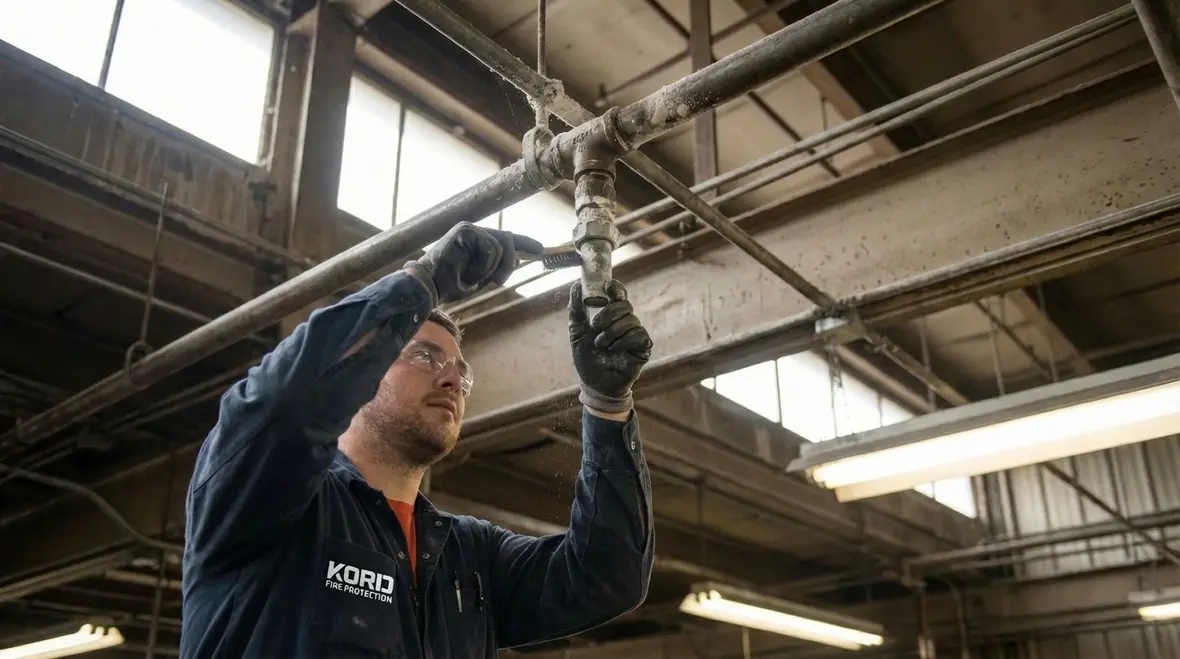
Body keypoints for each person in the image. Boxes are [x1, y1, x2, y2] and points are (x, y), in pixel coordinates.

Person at [180, 222, 655, 659]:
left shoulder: (469, 556)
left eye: (461, 373)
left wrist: (607, 404)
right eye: (424, 357)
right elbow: (284, 407)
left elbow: (606, 576)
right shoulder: (274, 505)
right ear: (363, 372)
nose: (452, 380)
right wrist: (421, 284)